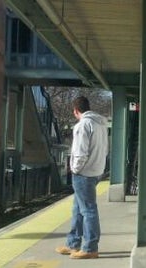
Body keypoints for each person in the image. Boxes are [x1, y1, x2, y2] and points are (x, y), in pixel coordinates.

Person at [55, 96, 108, 259]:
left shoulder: (82, 125)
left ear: (76, 111)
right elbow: (105, 150)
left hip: (83, 173)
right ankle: (73, 243)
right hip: (96, 171)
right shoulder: (101, 125)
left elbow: (80, 151)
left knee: (88, 210)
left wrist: (74, 169)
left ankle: (90, 247)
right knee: (77, 208)